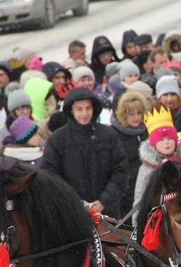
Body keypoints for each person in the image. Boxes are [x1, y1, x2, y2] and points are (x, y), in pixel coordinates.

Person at [41, 88, 128, 219]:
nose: (84, 113)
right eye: (79, 109)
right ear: (71, 110)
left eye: (88, 108)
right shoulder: (58, 139)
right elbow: (51, 176)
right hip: (71, 216)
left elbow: (120, 171)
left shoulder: (108, 135)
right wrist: (76, 202)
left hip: (107, 214)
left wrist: (104, 201)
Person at [133, 106, 181, 210]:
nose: (166, 142)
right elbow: (140, 199)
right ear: (154, 144)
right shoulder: (146, 168)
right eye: (161, 140)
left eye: (169, 138)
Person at [111, 91, 149, 220]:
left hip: (146, 186)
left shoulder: (149, 131)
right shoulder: (114, 134)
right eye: (131, 114)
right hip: (125, 190)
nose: (136, 117)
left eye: (139, 113)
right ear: (123, 114)